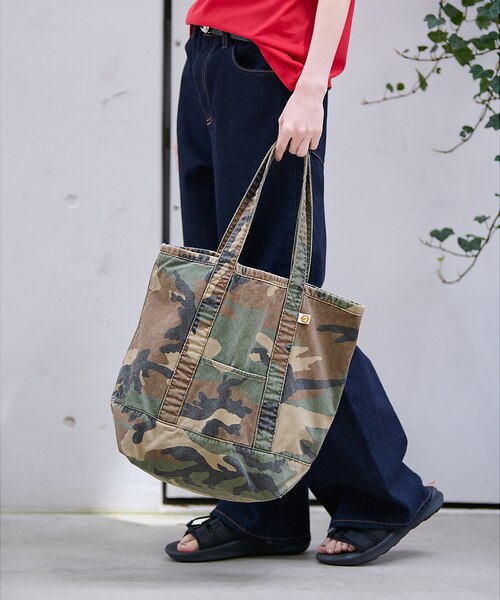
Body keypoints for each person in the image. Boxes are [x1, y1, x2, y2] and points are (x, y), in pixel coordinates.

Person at [165, 0, 444, 566]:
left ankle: (383, 495)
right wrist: (202, 69)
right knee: (230, 300)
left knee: (278, 301)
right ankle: (261, 510)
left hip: (268, 67)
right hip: (207, 50)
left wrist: (311, 86)